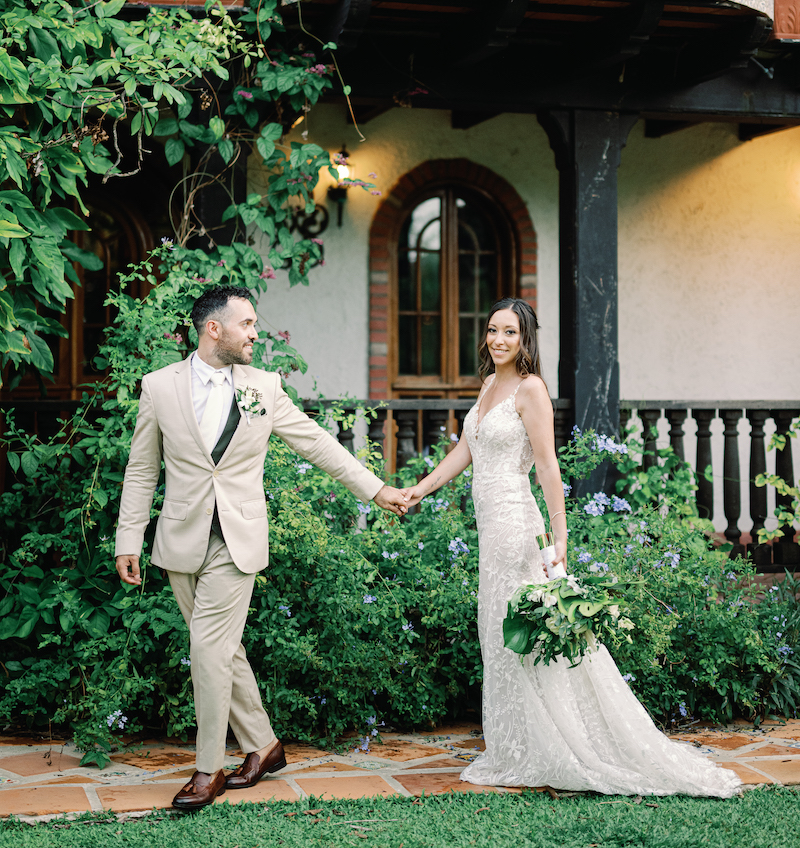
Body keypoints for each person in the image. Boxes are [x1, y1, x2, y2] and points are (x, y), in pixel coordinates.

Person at [401, 297, 739, 797]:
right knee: (500, 634)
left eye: (509, 333)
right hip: (490, 534)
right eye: (492, 330)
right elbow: (465, 452)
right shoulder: (490, 385)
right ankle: (517, 746)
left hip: (518, 529)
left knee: (531, 634)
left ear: (525, 340)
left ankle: (563, 744)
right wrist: (419, 490)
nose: (497, 340)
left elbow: (547, 466)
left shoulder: (531, 389)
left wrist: (560, 536)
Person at [114, 284, 408, 810]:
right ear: (213, 329)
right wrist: (128, 537)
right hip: (181, 539)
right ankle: (266, 746)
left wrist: (376, 489)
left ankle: (208, 770)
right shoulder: (159, 387)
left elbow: (315, 442)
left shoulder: (263, 388)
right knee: (223, 650)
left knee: (206, 648)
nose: (255, 333)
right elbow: (143, 468)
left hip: (238, 539)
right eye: (247, 324)